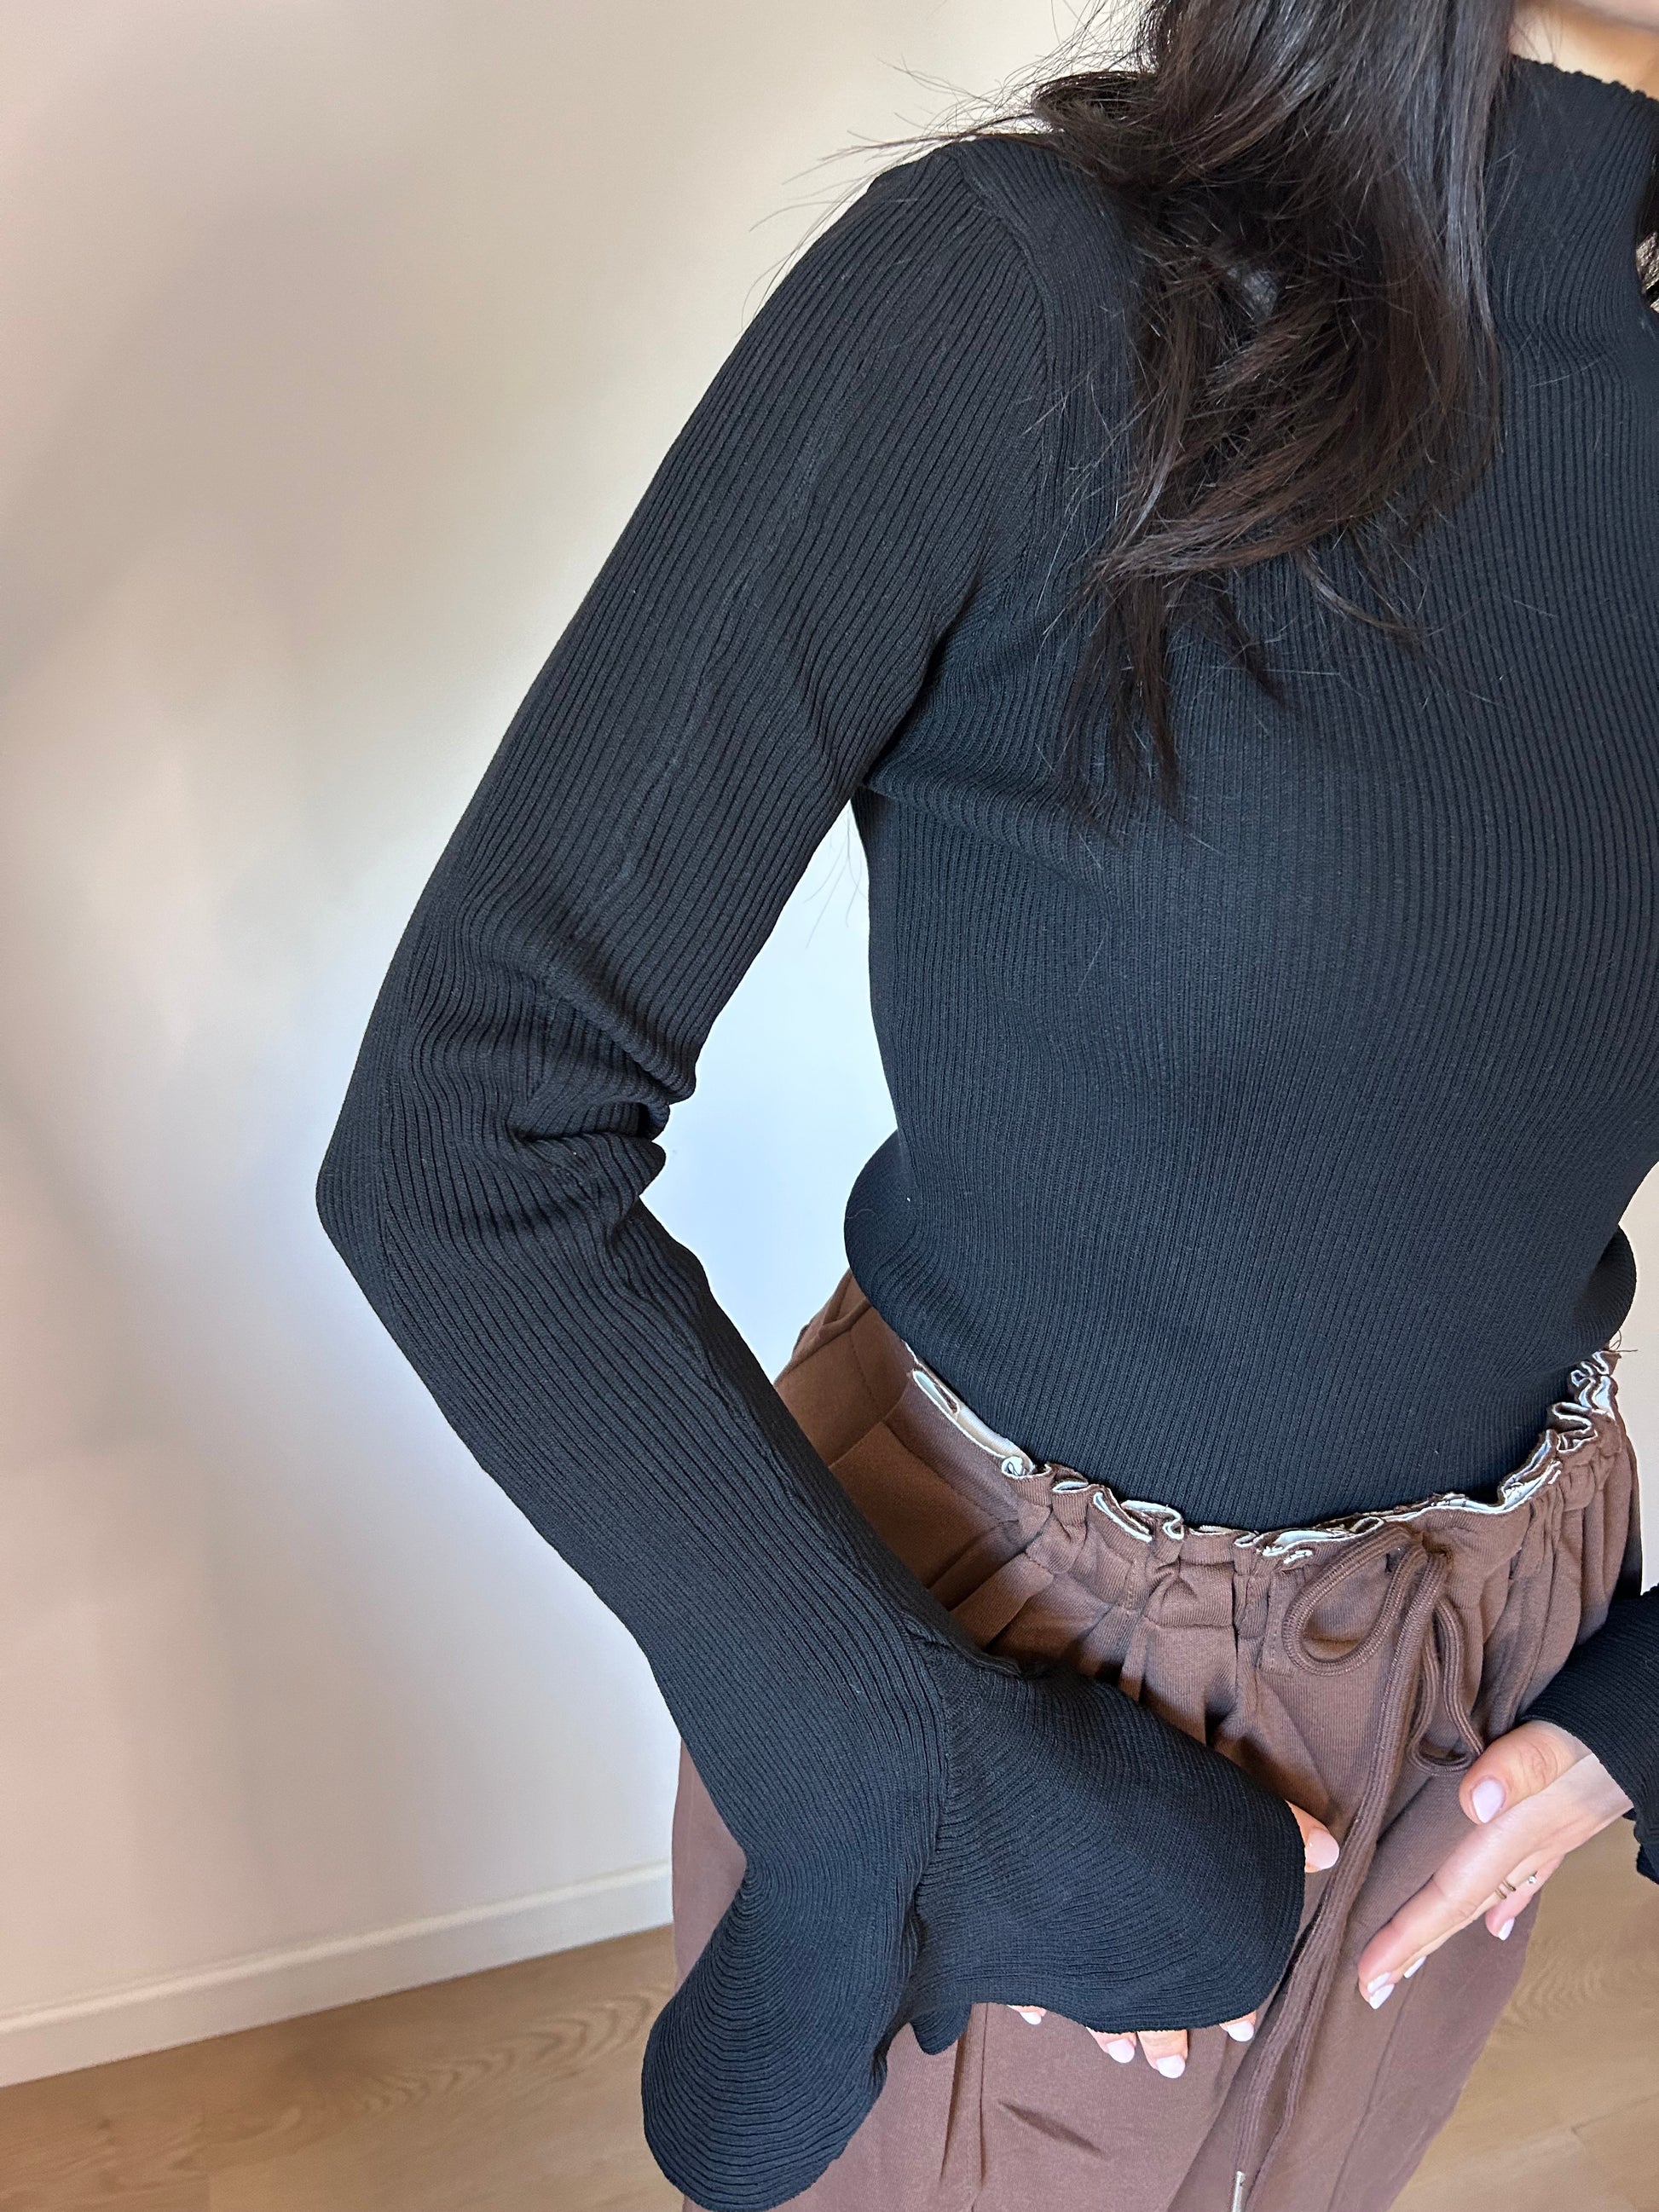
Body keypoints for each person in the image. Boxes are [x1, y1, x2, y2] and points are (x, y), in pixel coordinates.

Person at [316, 0, 1659, 2205]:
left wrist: (1635, 1699)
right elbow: (467, 1130)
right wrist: (923, 1777)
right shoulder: (1031, 304)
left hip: (1497, 1678)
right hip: (1019, 1671)